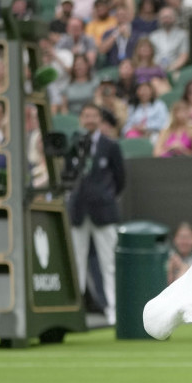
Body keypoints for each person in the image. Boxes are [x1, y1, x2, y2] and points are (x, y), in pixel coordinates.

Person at [67, 104, 126, 324]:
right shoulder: (74, 144)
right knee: (77, 263)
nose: (89, 119)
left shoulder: (110, 146)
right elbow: (68, 174)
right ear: (81, 118)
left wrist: (105, 197)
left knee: (109, 262)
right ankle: (77, 311)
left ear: (100, 119)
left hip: (104, 212)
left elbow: (120, 179)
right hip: (78, 212)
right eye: (85, 115)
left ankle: (113, 311)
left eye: (93, 115)